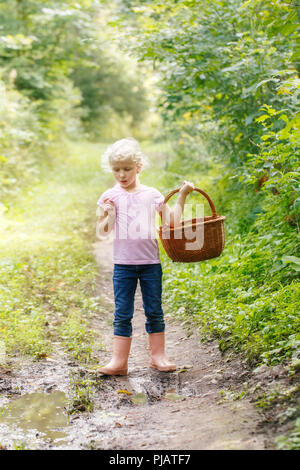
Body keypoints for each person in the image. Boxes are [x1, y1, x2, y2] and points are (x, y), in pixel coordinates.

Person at [96, 137, 194, 375]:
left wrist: (183, 195)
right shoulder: (110, 196)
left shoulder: (152, 195)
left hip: (150, 264)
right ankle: (119, 362)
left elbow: (171, 221)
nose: (121, 175)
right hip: (123, 265)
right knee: (122, 312)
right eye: (116, 170)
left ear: (138, 167)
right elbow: (102, 230)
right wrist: (109, 214)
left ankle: (158, 357)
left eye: (127, 169)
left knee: (154, 309)